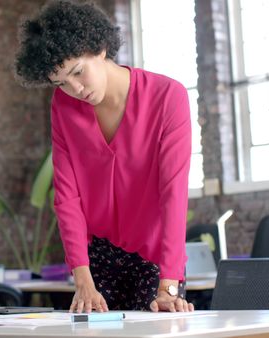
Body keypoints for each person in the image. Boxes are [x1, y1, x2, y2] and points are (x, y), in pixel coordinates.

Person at [14, 0, 193, 313]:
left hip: (156, 259)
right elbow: (67, 197)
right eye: (60, 82)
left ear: (99, 47)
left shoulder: (168, 97)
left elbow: (173, 195)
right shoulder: (63, 106)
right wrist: (81, 278)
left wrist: (170, 285)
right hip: (96, 259)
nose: (75, 89)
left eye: (78, 72)